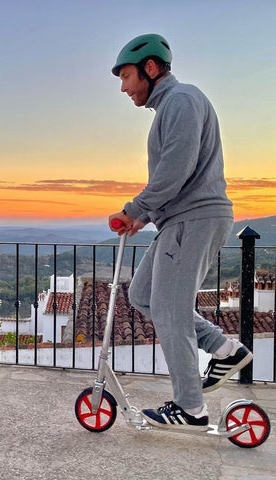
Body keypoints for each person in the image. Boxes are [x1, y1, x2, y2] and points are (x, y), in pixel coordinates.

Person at [108, 34, 252, 430]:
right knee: (141, 294)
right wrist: (146, 216)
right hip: (179, 221)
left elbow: (177, 167)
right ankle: (223, 348)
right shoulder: (171, 107)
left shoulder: (182, 99)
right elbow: (178, 177)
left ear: (150, 69)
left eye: (126, 76)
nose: (123, 87)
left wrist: (134, 209)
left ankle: (191, 409)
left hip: (195, 220)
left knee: (171, 313)